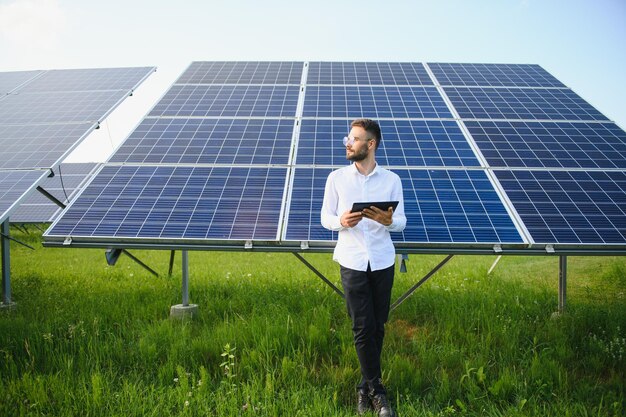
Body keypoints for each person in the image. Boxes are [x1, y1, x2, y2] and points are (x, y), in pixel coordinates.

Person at [321, 118, 406, 417]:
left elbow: (402, 221)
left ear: (370, 145)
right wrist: (340, 221)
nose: (347, 142)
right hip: (352, 260)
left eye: (354, 139)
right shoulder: (337, 178)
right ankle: (379, 393)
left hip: (383, 259)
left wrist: (389, 221)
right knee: (362, 326)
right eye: (348, 137)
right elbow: (325, 217)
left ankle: (364, 387)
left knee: (378, 325)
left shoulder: (392, 179)